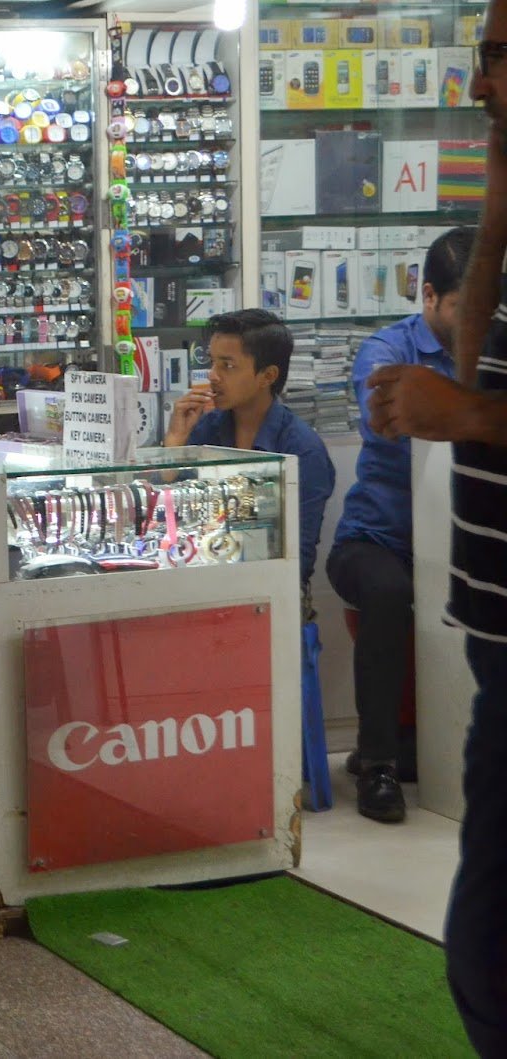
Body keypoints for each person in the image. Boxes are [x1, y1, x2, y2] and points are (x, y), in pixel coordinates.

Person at [371, 16, 507, 1049]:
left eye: (500, 54)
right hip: (494, 633)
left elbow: (471, 406)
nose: (476, 78)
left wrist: (461, 416)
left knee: (488, 945)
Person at [327, 227, 474, 823]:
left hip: (461, 539)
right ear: (430, 296)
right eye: (466, 309)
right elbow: (386, 421)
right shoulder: (388, 351)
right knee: (388, 595)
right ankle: (380, 764)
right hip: (376, 540)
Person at [162, 308, 335, 591]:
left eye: (227, 366)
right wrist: (175, 440)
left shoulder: (301, 450)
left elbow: (297, 558)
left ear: (267, 376)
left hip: (267, 591)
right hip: (201, 578)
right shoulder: (207, 429)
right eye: (212, 362)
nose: (213, 376)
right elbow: (169, 518)